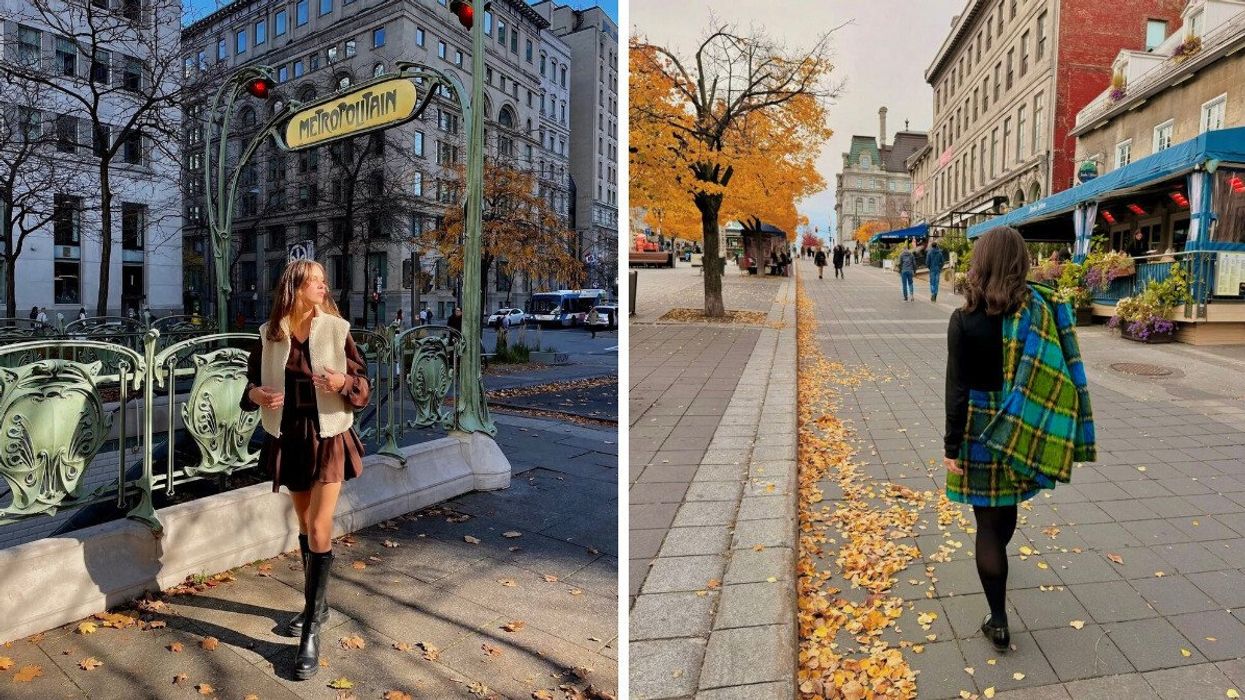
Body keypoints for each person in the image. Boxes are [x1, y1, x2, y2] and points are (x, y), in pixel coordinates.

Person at [944, 226, 1095, 654]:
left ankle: (998, 620)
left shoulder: (963, 321)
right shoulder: (1037, 315)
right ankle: (999, 564)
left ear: (980, 264)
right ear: (1019, 264)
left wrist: (951, 446)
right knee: (1004, 514)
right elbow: (1059, 372)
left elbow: (955, 389)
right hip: (1022, 421)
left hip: (979, 428)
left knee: (986, 526)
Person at [239, 259, 370, 679]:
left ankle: (311, 629)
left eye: (323, 281)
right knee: (302, 524)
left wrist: (342, 385)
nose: (321, 286)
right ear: (293, 287)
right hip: (289, 437)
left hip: (328, 434)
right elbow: (249, 385)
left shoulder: (336, 329)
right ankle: (319, 605)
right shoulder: (270, 334)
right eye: (313, 281)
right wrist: (257, 395)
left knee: (319, 528)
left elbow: (363, 383)